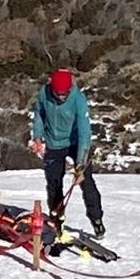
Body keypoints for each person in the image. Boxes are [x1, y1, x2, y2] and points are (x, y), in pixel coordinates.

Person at [29, 68, 104, 238]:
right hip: (54, 142)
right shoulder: (44, 93)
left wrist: (80, 165)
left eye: (65, 94)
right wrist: (38, 137)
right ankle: (57, 221)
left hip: (76, 142)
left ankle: (96, 219)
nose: (62, 97)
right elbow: (39, 115)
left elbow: (85, 133)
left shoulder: (78, 99)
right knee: (54, 183)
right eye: (58, 94)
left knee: (87, 182)